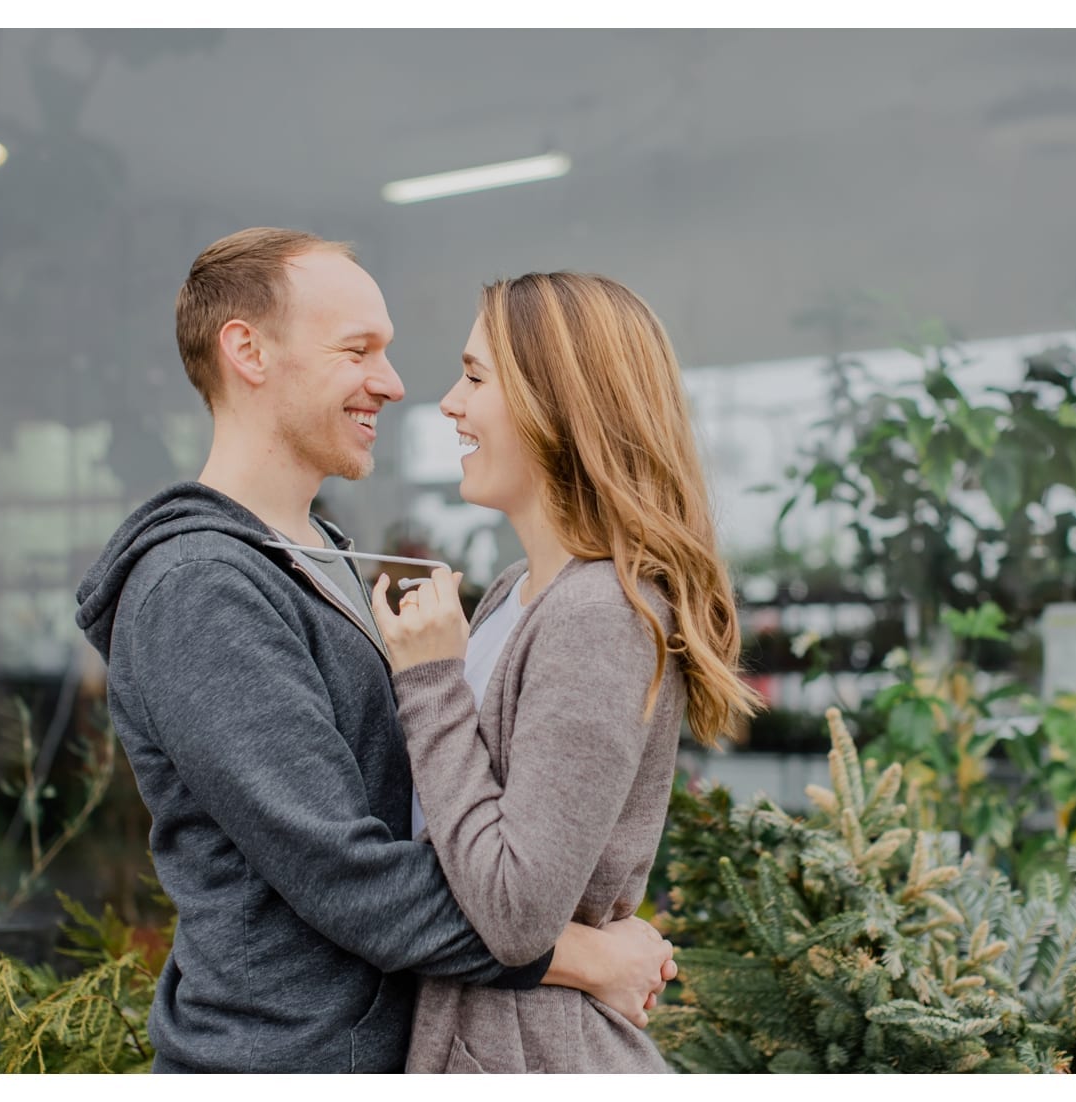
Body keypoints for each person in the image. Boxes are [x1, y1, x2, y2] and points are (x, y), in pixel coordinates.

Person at [74, 230, 675, 1073]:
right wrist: (578, 956)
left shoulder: (323, 560)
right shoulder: (201, 589)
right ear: (246, 351)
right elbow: (344, 874)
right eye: (359, 350)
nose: (394, 385)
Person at [371, 271, 762, 1073]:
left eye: (476, 377)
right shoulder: (517, 594)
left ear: (560, 406)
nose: (448, 402)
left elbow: (515, 911)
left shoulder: (599, 615)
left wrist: (431, 682)